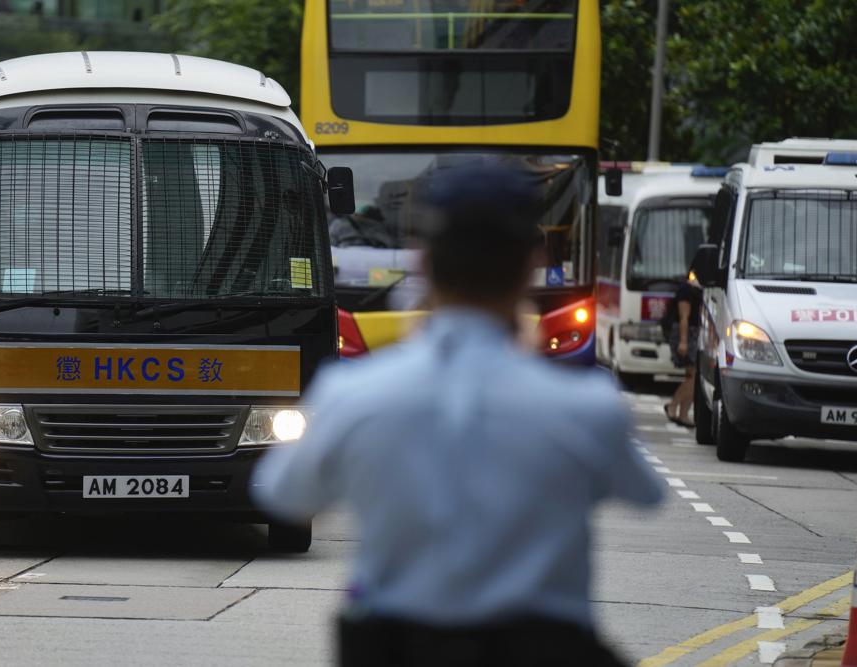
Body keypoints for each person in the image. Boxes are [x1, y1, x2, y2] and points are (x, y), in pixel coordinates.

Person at [251, 165, 664, 666]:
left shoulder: (353, 394)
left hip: (394, 649)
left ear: (423, 263)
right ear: (528, 265)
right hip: (544, 649)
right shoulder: (586, 405)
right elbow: (646, 494)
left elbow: (281, 493)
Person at [663, 273, 703, 427]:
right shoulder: (686, 289)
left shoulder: (698, 290)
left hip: (694, 334)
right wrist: (684, 341)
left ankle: (684, 414)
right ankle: (673, 405)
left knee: (691, 376)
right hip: (685, 334)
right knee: (694, 377)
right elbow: (683, 317)